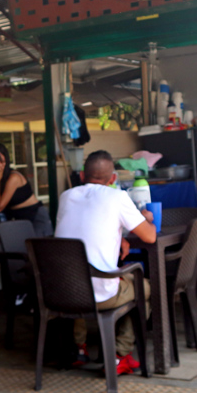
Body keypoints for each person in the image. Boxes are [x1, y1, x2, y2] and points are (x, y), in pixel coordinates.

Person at [54, 150, 157, 375]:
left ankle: (79, 349)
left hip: (61, 293)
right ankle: (119, 355)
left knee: (79, 275)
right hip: (100, 295)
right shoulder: (117, 197)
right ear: (113, 179)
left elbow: (83, 228)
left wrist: (119, 236)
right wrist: (146, 219)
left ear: (82, 175)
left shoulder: (66, 197)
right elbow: (149, 236)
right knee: (146, 287)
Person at [0, 143, 53, 241]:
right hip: (19, 221)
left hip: (35, 218)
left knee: (35, 252)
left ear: (5, 159)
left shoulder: (14, 177)